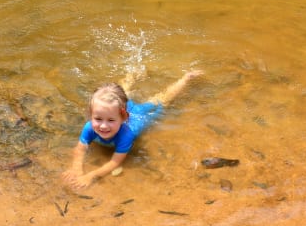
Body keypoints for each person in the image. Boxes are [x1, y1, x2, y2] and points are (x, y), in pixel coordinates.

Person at [62, 69, 202, 190]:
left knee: (161, 100)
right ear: (91, 115)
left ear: (123, 118)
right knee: (120, 97)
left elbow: (114, 162)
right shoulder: (89, 126)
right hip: (119, 109)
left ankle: (185, 78)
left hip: (141, 116)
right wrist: (76, 168)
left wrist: (90, 176)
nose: (103, 126)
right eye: (98, 119)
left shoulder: (126, 135)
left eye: (110, 121)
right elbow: (80, 149)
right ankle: (133, 74)